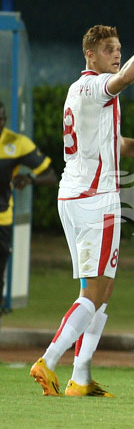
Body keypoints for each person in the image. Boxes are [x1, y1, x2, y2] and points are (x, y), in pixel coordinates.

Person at [29, 6, 134, 397]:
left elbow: (118, 146)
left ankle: (80, 377)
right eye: (107, 49)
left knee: (101, 290)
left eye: (118, 48)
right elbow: (129, 76)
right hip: (94, 200)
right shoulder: (92, 86)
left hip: (75, 196)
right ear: (90, 54)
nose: (116, 54)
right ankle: (48, 362)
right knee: (95, 292)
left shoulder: (82, 94)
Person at [0, 100, 57, 313]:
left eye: (3, 119)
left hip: (2, 218)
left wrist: (30, 179)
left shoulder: (16, 143)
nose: (1, 124)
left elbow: (50, 176)